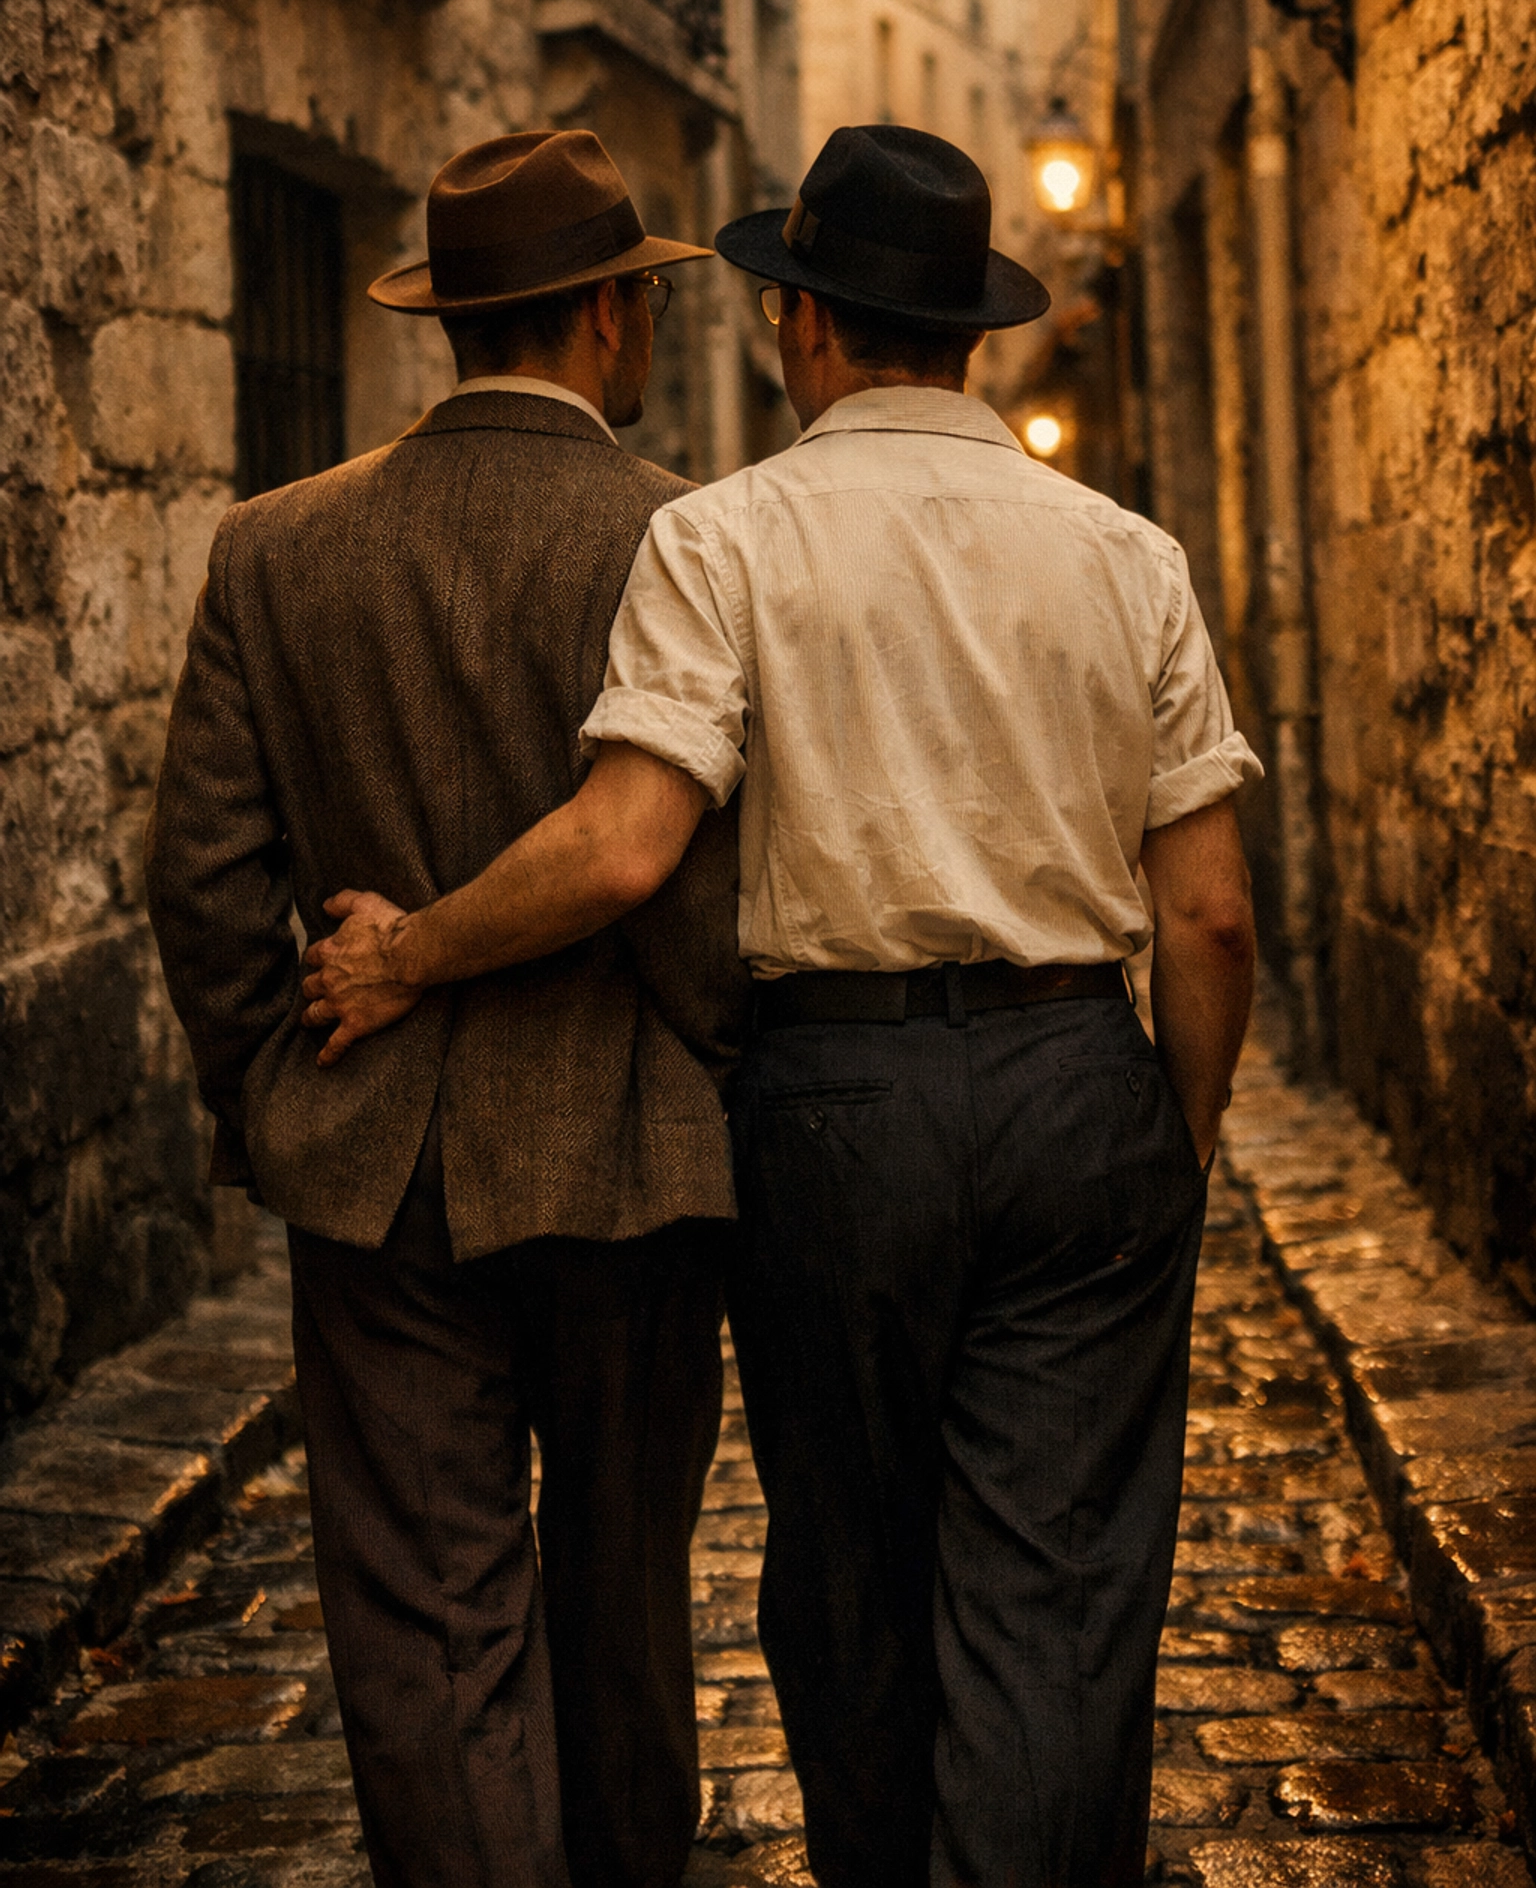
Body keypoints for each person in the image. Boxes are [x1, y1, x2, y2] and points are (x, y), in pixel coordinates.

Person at [302, 124, 1263, 1888]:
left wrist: (408, 951)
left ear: (804, 330)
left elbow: (621, 847)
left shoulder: (726, 538)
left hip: (832, 1111)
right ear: (971, 333)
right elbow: (1206, 915)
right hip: (1077, 1083)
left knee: (849, 1573)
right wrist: (1169, 1134)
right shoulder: (1130, 555)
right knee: (1056, 1589)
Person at [144, 129, 752, 1888]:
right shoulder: (675, 538)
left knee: (424, 1619)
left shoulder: (275, 550)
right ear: (608, 319)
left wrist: (278, 1098)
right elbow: (706, 897)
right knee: (627, 1595)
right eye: (638, 297)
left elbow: (201, 879)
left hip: (374, 1165)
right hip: (634, 1165)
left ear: (456, 321)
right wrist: (718, 1077)